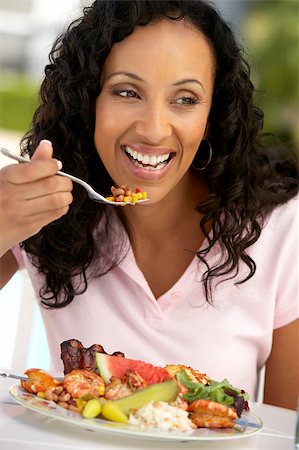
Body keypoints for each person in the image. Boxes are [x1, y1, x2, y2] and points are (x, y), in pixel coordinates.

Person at [0, 0, 298, 410]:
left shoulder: (282, 229)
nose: (154, 130)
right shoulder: (48, 210)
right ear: (90, 102)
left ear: (213, 114)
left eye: (186, 99)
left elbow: (287, 433)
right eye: (126, 91)